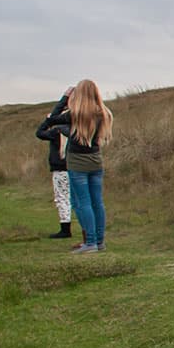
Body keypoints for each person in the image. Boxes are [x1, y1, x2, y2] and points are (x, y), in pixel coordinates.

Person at [60, 78, 113, 254]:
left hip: (78, 164)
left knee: (83, 202)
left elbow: (51, 120)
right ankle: (99, 241)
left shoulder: (75, 114)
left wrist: (64, 98)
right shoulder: (103, 113)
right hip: (96, 161)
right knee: (97, 202)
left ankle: (90, 242)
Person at [35, 88, 73, 239]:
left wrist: (61, 102)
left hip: (60, 169)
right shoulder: (77, 130)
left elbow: (39, 132)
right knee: (78, 199)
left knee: (62, 197)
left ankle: (65, 229)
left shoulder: (56, 131)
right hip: (77, 167)